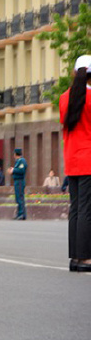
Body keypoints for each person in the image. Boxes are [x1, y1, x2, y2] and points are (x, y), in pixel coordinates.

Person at [59, 55, 91, 273]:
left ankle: (75, 258)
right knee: (87, 210)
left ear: (74, 73)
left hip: (72, 158)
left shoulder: (64, 98)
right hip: (89, 159)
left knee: (76, 210)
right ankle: (86, 259)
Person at [7, 148, 27, 220]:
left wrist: (13, 170)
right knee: (18, 198)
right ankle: (19, 213)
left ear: (16, 154)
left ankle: (22, 214)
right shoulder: (18, 161)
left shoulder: (22, 161)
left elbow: (21, 170)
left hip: (20, 181)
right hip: (17, 181)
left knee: (20, 198)